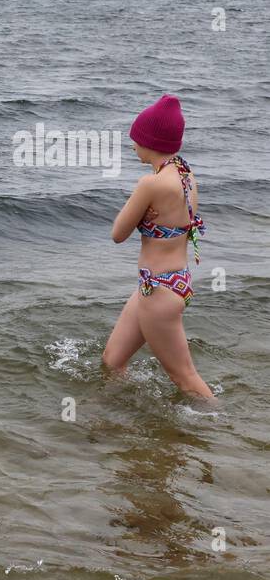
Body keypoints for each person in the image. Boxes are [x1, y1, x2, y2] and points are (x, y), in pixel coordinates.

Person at [104, 95, 213, 399]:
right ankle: (119, 420)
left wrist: (140, 216)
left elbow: (117, 233)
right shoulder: (185, 174)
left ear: (150, 141)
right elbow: (174, 220)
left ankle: (224, 426)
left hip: (159, 291)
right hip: (170, 283)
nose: (132, 145)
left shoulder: (150, 184)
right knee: (112, 361)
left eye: (136, 139)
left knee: (186, 378)